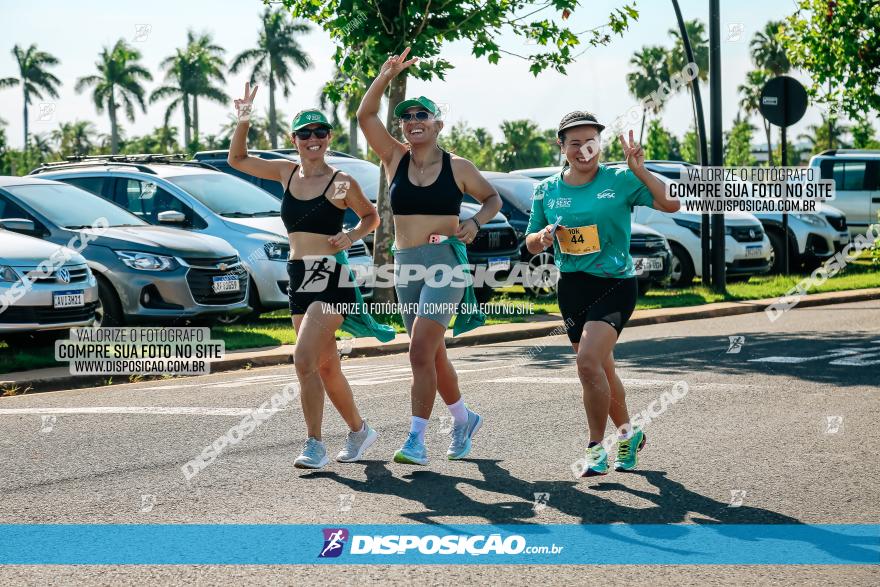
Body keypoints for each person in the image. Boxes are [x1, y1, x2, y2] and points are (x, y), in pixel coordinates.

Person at [228, 82, 393, 470]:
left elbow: (372, 216)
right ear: (295, 139)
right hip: (298, 273)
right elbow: (237, 159)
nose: (313, 139)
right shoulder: (285, 174)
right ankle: (360, 431)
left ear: (329, 138)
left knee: (302, 358)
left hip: (330, 274)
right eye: (305, 134)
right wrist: (244, 117)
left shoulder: (340, 181)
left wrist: (350, 235)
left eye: (320, 132)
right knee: (324, 364)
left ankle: (314, 443)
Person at [357, 47, 502, 465]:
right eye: (407, 117)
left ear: (438, 123)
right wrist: (385, 74)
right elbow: (366, 117)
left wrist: (475, 222)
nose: (414, 122)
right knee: (433, 354)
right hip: (406, 266)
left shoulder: (459, 166)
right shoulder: (394, 158)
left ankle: (416, 439)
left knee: (419, 351)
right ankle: (463, 418)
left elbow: (492, 199)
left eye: (423, 115)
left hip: (444, 266)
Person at [524, 111, 680, 476]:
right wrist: (543, 236)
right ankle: (629, 432)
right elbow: (529, 244)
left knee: (587, 363)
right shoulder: (546, 190)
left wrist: (640, 169)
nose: (583, 150)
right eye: (574, 143)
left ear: (599, 144)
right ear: (561, 146)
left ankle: (596, 448)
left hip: (615, 284)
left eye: (590, 142)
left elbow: (671, 204)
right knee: (601, 368)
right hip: (573, 287)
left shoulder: (621, 180)